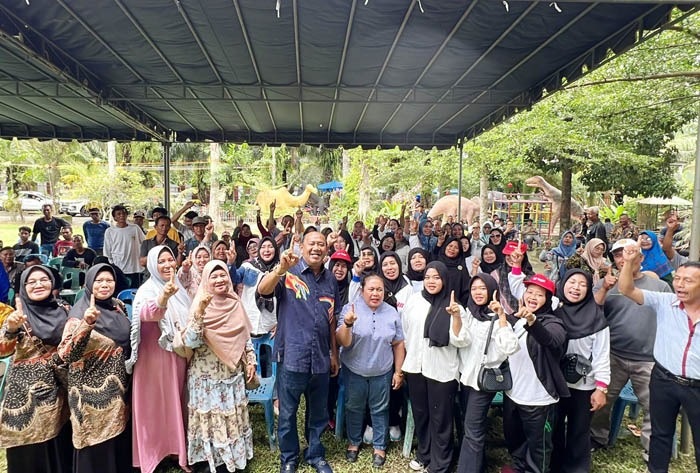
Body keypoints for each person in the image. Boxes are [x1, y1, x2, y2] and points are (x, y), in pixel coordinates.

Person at [257, 231, 340, 473]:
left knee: (318, 412)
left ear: (327, 249)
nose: (317, 248)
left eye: (321, 244)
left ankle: (315, 454)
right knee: (288, 413)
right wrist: (279, 270)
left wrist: (334, 353)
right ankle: (289, 457)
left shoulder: (330, 280)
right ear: (301, 247)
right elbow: (263, 290)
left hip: (321, 358)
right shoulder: (288, 272)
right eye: (311, 243)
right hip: (292, 356)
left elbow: (332, 319)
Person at [616, 243, 700, 473]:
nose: (680, 284)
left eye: (688, 280)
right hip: (663, 379)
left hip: (697, 386)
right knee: (660, 434)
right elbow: (626, 289)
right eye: (678, 279)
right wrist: (629, 262)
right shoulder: (666, 302)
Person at [589, 239, 672, 458]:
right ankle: (598, 437)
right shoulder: (607, 283)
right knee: (602, 402)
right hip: (613, 355)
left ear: (641, 258)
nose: (623, 258)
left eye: (629, 253)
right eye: (618, 255)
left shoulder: (659, 286)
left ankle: (651, 450)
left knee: (653, 406)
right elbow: (592, 314)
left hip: (649, 359)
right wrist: (604, 289)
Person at [58, 263, 132, 473]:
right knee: (95, 440)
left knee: (117, 434)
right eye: (99, 281)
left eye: (109, 280)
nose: (105, 285)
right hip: (89, 393)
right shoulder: (79, 313)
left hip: (117, 387)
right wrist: (87, 324)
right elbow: (66, 354)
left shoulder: (117, 305)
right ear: (89, 283)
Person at [184, 260, 256, 472]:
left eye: (222, 275)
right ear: (206, 280)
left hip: (231, 373)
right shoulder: (199, 304)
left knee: (230, 416)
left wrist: (250, 358)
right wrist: (199, 315)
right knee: (210, 418)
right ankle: (208, 462)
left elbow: (245, 335)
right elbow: (190, 342)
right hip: (206, 377)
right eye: (213, 276)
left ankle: (232, 460)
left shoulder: (235, 302)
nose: (219, 280)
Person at [0, 265, 73, 473]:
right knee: (33, 451)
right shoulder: (17, 316)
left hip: (59, 390)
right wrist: (11, 329)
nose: (38, 285)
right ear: (23, 287)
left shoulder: (64, 309)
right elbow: (3, 349)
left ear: (52, 283)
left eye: (43, 280)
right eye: (31, 282)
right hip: (27, 396)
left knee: (60, 443)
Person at [127, 246, 191, 473]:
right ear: (153, 264)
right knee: (153, 408)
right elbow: (147, 314)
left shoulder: (180, 289)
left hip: (175, 356)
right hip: (152, 359)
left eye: (169, 259)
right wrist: (163, 297)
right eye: (161, 261)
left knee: (175, 402)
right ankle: (152, 455)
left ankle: (176, 451)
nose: (166, 265)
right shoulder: (147, 290)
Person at [402, 261, 469, 473]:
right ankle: (424, 454)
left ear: (444, 280)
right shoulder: (414, 301)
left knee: (441, 418)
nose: (431, 281)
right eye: (428, 277)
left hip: (442, 370)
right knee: (422, 414)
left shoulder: (455, 307)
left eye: (437, 277)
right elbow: (406, 331)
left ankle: (441, 463)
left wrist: (456, 316)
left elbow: (462, 341)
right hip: (415, 366)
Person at [336, 274, 405, 468]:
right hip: (354, 369)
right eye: (371, 289)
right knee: (354, 406)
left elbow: (398, 343)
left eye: (379, 290)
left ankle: (380, 446)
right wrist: (348, 324)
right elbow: (343, 342)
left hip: (382, 370)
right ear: (362, 290)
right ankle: (354, 442)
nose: (375, 294)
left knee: (380, 408)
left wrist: (398, 371)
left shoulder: (391, 312)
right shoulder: (350, 309)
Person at [502, 274, 568, 473]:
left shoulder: (553, 322)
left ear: (548, 299)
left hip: (538, 398)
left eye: (539, 294)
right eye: (529, 292)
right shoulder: (519, 320)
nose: (532, 297)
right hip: (514, 393)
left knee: (539, 447)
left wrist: (533, 321)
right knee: (516, 437)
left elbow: (551, 340)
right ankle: (519, 467)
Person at [456, 274, 518, 473]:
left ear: (493, 291)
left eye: (483, 288)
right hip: (465, 378)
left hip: (483, 383)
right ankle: (479, 465)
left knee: (472, 431)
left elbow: (510, 347)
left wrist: (501, 317)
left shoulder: (498, 319)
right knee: (471, 426)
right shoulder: (468, 313)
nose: (478, 293)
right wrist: (456, 317)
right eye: (474, 288)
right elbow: (460, 341)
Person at [550, 269, 610, 473]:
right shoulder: (552, 311)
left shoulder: (596, 318)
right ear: (563, 283)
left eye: (582, 284)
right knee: (554, 427)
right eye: (572, 282)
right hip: (555, 383)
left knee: (578, 430)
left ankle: (576, 468)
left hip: (583, 386)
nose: (576, 288)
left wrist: (601, 388)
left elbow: (602, 354)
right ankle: (554, 465)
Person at [103, 204, 145, 288]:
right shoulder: (110, 231)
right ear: (115, 218)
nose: (122, 215)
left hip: (134, 267)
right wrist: (112, 264)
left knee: (134, 291)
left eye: (123, 213)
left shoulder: (135, 228)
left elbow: (144, 243)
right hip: (119, 267)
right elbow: (107, 250)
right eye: (118, 214)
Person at [436, 237, 471, 306]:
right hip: (436, 305)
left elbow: (466, 290)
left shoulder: (461, 267)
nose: (452, 249)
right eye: (450, 246)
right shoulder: (437, 263)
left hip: (455, 306)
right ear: (445, 246)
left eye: (456, 247)